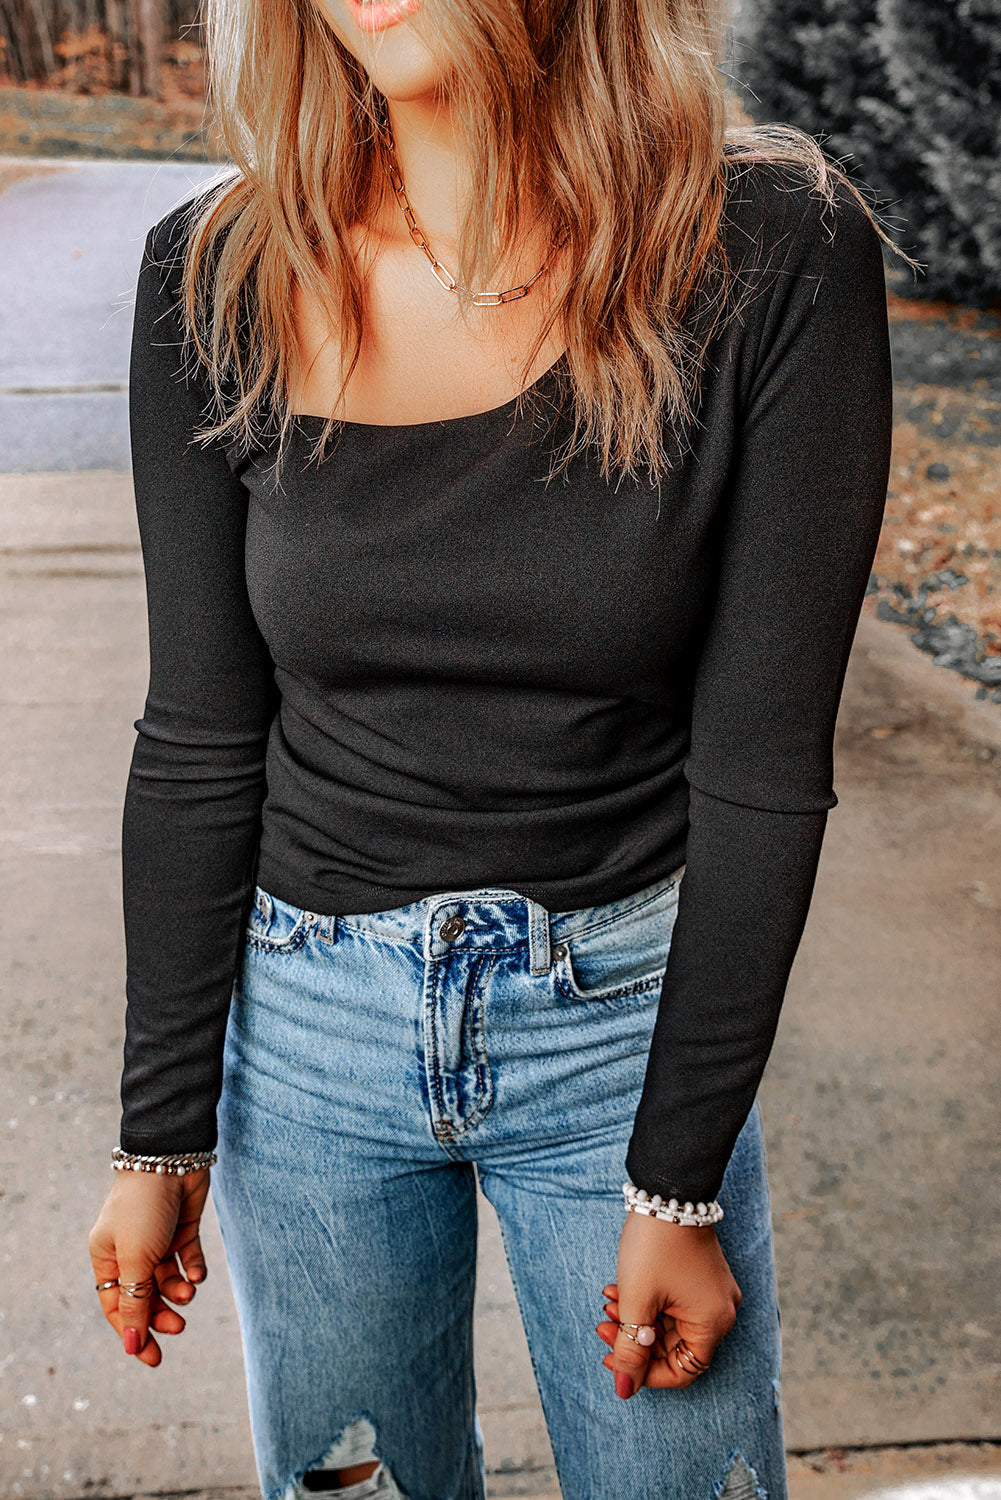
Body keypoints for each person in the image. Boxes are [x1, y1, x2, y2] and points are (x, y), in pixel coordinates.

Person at [87, 0, 914, 1495]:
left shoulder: (771, 246)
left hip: (620, 1034)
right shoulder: (214, 274)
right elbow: (200, 738)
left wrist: (677, 1177)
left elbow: (761, 770)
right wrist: (159, 1139)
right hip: (307, 1039)